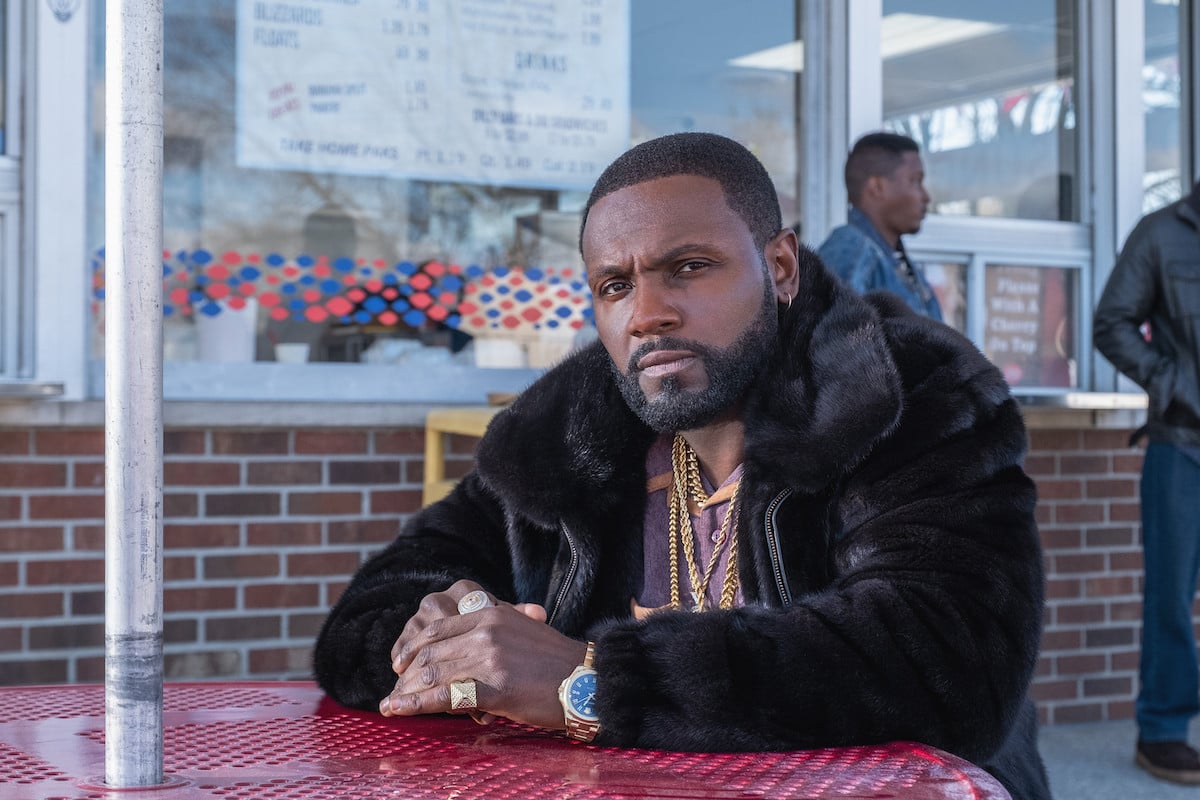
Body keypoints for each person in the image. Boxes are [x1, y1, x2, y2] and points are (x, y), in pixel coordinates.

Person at [314, 133, 1049, 799]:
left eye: (689, 267)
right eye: (616, 285)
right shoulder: (561, 436)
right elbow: (368, 617)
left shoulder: (904, 389)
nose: (647, 313)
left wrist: (591, 681)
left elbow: (952, 660)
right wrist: (444, 639)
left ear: (781, 266)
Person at [1094, 180, 1200, 785]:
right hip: (1181, 447)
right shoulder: (1162, 233)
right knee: (1171, 598)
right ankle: (1162, 731)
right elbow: (1112, 322)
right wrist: (1178, 388)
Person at [817, 132, 942, 321]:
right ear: (877, 187)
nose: (926, 196)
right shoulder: (850, 248)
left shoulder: (894, 262)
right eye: (915, 181)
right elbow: (833, 341)